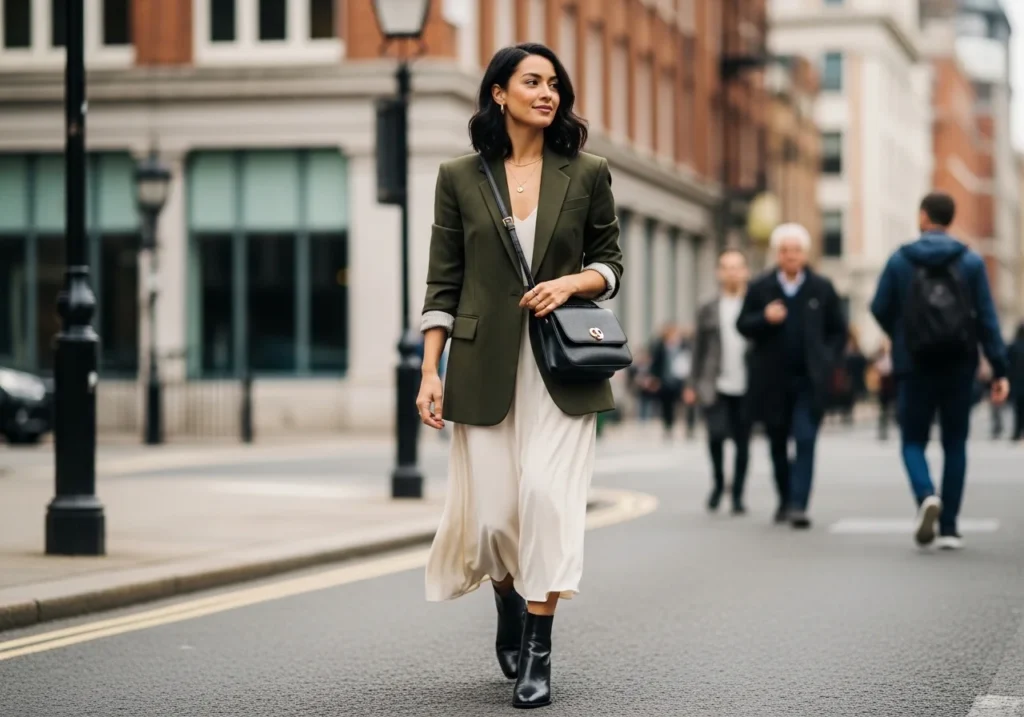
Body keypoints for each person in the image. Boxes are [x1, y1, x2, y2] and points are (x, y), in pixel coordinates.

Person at [415, 43, 623, 709]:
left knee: (546, 499)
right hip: (482, 364)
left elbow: (611, 263)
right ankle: (507, 600)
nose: (548, 92)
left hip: (560, 368)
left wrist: (568, 283)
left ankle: (539, 645)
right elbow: (443, 280)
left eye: (555, 83)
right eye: (532, 81)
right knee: (494, 521)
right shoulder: (459, 176)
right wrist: (429, 369)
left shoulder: (587, 172)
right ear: (498, 93)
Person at [871, 192, 1009, 550]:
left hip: (913, 363)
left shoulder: (901, 260)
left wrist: (900, 335)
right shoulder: (971, 262)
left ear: (922, 216)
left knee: (913, 440)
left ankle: (925, 496)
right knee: (954, 443)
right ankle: (948, 527)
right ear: (950, 218)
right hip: (958, 363)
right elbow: (987, 320)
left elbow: (878, 306)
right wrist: (999, 370)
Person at [737, 223, 847, 528]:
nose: (791, 256)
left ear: (805, 253)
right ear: (777, 254)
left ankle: (799, 503)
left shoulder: (821, 288)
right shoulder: (761, 287)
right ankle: (785, 499)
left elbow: (838, 330)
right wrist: (764, 318)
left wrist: (827, 359)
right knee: (777, 442)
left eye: (796, 250)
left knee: (806, 438)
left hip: (809, 381)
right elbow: (742, 324)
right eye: (785, 250)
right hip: (771, 382)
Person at [685, 248, 751, 514]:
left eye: (737, 266)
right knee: (715, 436)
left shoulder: (754, 304)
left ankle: (737, 494)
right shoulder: (708, 307)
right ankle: (718, 482)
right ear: (718, 273)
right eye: (726, 267)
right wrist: (691, 384)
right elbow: (697, 348)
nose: (732, 272)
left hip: (748, 384)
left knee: (743, 443)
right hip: (714, 384)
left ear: (745, 271)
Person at [648, 323, 690, 441]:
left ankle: (688, 427)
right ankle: (668, 427)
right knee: (667, 406)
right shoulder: (660, 346)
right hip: (665, 381)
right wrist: (654, 378)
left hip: (680, 380)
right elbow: (655, 364)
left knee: (684, 405)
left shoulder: (683, 345)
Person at [1010, 323, 1024, 442]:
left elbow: (1007, 365)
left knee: (1017, 411)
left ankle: (1017, 432)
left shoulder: (1013, 346)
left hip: (1017, 384)